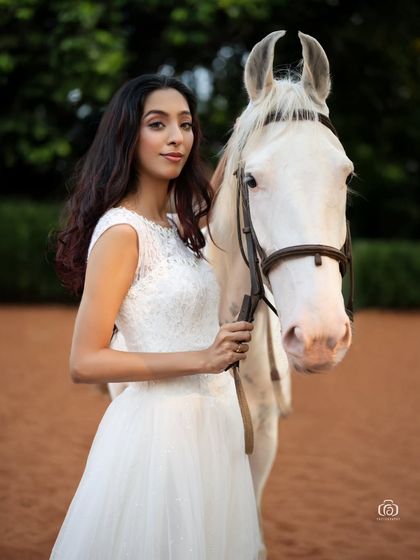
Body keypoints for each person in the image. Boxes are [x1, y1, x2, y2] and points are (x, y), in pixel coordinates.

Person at [50, 74, 261, 559]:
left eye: (185, 124)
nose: (176, 137)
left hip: (213, 428)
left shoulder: (178, 227)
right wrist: (204, 358)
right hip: (157, 438)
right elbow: (85, 363)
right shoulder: (122, 232)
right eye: (157, 123)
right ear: (128, 134)